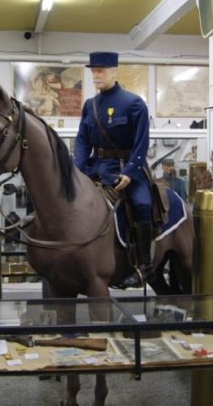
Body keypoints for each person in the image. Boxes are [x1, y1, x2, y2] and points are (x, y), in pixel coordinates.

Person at [74, 51, 153, 288]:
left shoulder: (134, 104)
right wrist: (77, 169)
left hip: (125, 168)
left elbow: (141, 143)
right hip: (96, 167)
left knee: (142, 204)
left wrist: (130, 172)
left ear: (113, 71)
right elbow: (82, 141)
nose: (95, 75)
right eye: (93, 71)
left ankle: (144, 265)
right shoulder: (90, 105)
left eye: (100, 71)